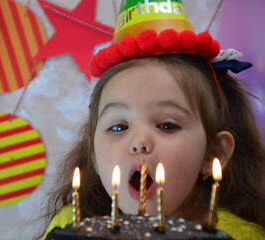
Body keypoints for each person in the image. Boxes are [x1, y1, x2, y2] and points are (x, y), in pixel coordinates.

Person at [37, 2, 265, 239]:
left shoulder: (238, 236)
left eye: (167, 125)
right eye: (118, 127)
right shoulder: (71, 225)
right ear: (93, 153)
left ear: (213, 154)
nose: (139, 142)